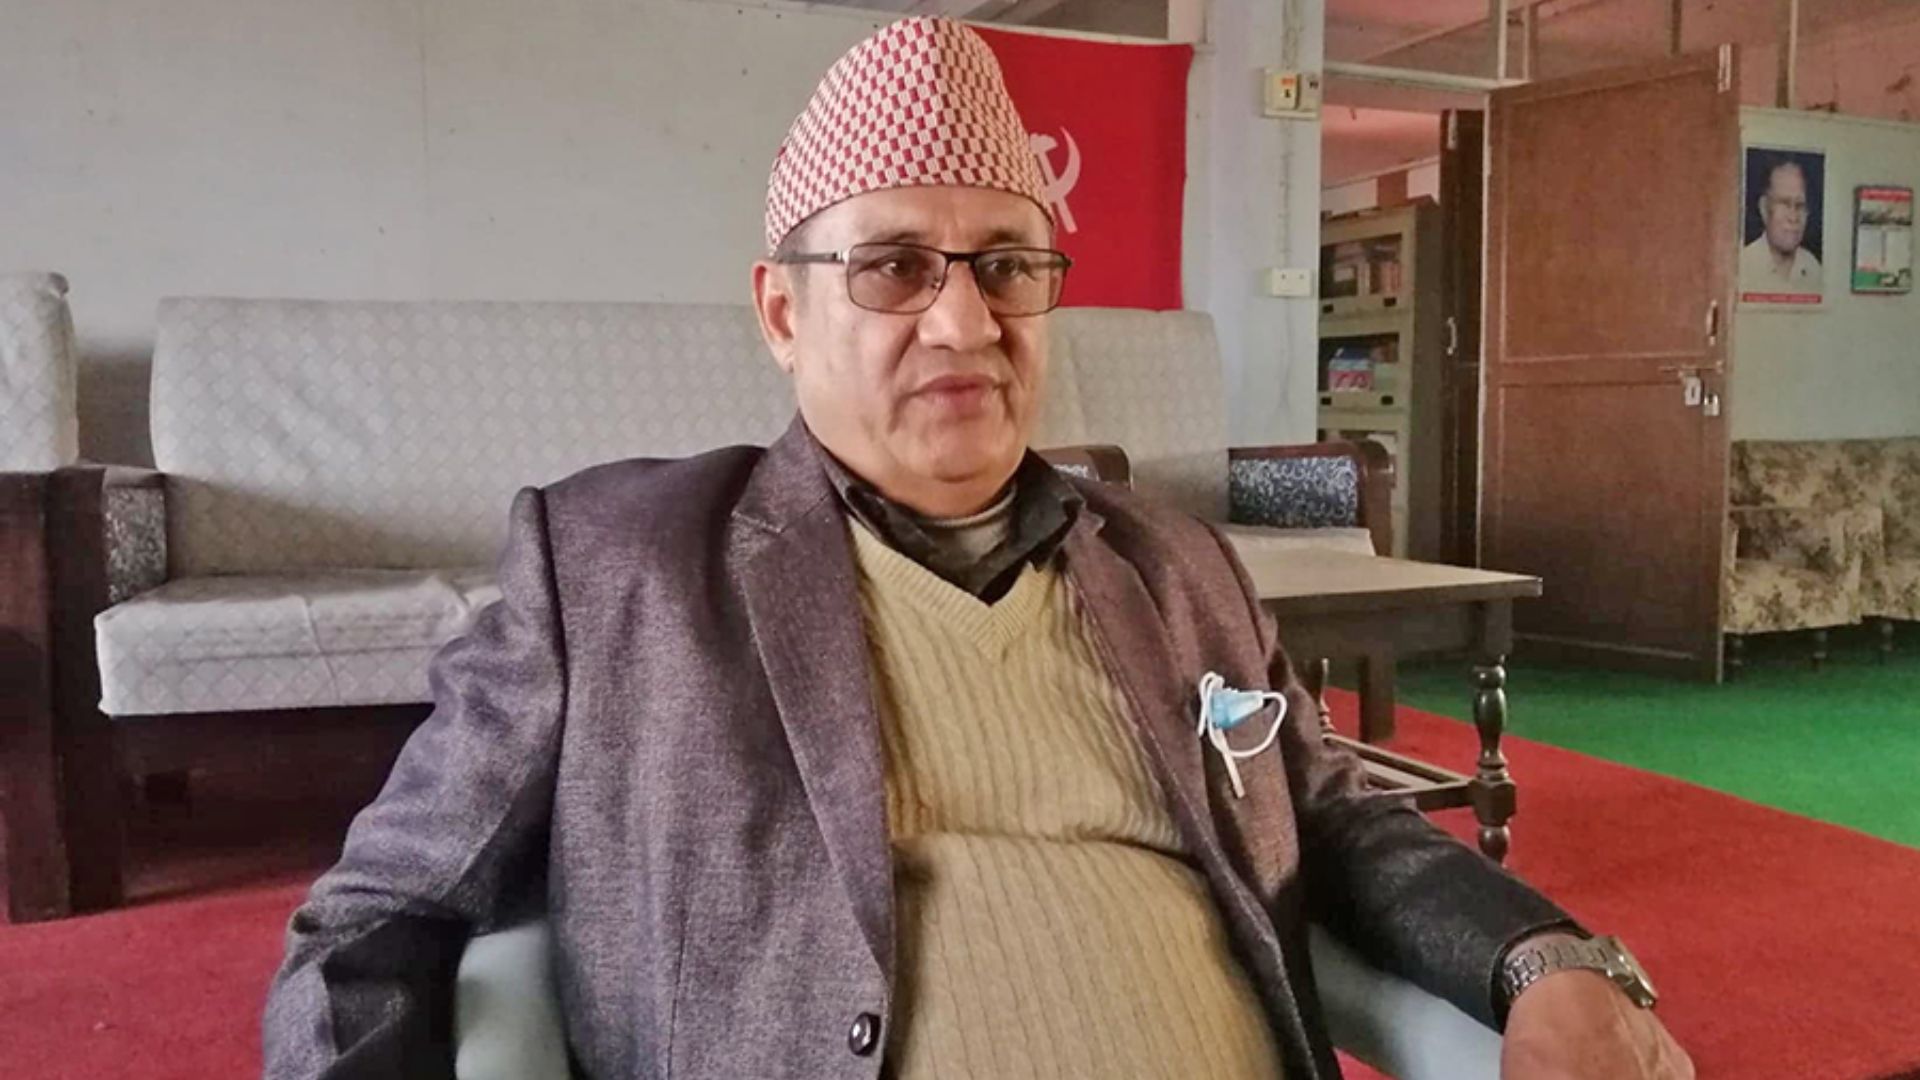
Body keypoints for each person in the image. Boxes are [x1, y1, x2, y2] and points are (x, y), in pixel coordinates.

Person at [264, 17, 1691, 1079]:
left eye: (1008, 264)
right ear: (782, 312)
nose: (965, 322)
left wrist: (1543, 958)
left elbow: (1339, 824)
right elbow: (376, 921)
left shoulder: (1177, 568)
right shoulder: (614, 567)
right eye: (893, 267)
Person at [1740, 157, 1821, 293]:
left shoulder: (1813, 268)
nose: (1793, 217)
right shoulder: (1743, 266)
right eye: (1784, 203)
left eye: (1800, 205)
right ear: (1764, 208)